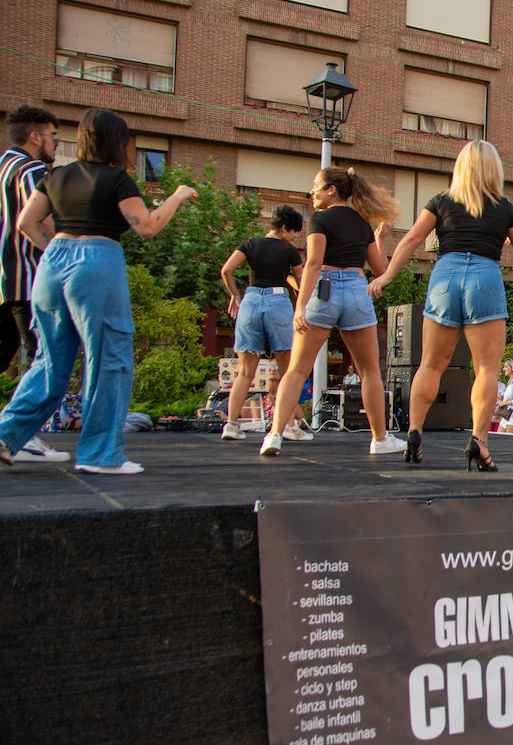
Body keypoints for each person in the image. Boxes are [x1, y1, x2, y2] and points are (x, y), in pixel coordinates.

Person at [0, 108, 197, 472]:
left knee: (49, 362)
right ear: (117, 142)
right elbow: (148, 226)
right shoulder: (116, 179)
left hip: (52, 263)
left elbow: (26, 222)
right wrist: (178, 195)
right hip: (97, 261)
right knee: (109, 359)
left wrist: (58, 252)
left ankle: (5, 434)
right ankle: (100, 456)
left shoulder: (56, 176)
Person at [364, 140, 513, 468]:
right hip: (485, 275)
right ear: (494, 169)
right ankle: (479, 442)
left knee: (430, 364)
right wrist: (507, 238)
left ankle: (413, 434)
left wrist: (385, 276)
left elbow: (412, 238)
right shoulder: (504, 206)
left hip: (445, 274)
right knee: (485, 368)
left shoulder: (441, 201)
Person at [259, 164, 401, 457]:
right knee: (370, 372)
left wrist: (300, 306)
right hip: (355, 289)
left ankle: (274, 435)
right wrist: (377, 240)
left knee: (297, 369)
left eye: (316, 187)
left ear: (331, 190)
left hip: (324, 290)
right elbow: (380, 270)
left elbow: (312, 263)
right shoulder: (361, 222)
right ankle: (380, 439)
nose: (312, 193)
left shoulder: (319, 219)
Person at [0, 105, 69, 463]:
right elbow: (35, 221)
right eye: (54, 138)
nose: (56, 145)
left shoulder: (2, 166)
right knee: (44, 360)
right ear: (36, 137)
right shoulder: (33, 171)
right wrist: (57, 253)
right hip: (28, 277)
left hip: (3, 280)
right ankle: (17, 436)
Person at [219, 205, 309, 443]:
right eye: (293, 232)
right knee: (287, 371)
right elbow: (303, 280)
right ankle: (288, 426)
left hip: (250, 299)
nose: (294, 237)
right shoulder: (289, 250)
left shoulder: (249, 245)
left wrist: (234, 296)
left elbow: (226, 270)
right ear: (283, 228)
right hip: (278, 301)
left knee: (245, 372)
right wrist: (295, 288)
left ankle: (231, 425)